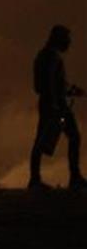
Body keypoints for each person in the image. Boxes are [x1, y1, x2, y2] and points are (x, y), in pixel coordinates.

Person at [28, 25, 84, 190]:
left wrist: (72, 90)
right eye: (66, 38)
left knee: (41, 139)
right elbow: (51, 82)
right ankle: (73, 177)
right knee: (73, 137)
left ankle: (35, 178)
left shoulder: (44, 55)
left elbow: (50, 83)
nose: (69, 42)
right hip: (57, 106)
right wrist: (55, 103)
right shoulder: (52, 57)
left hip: (52, 104)